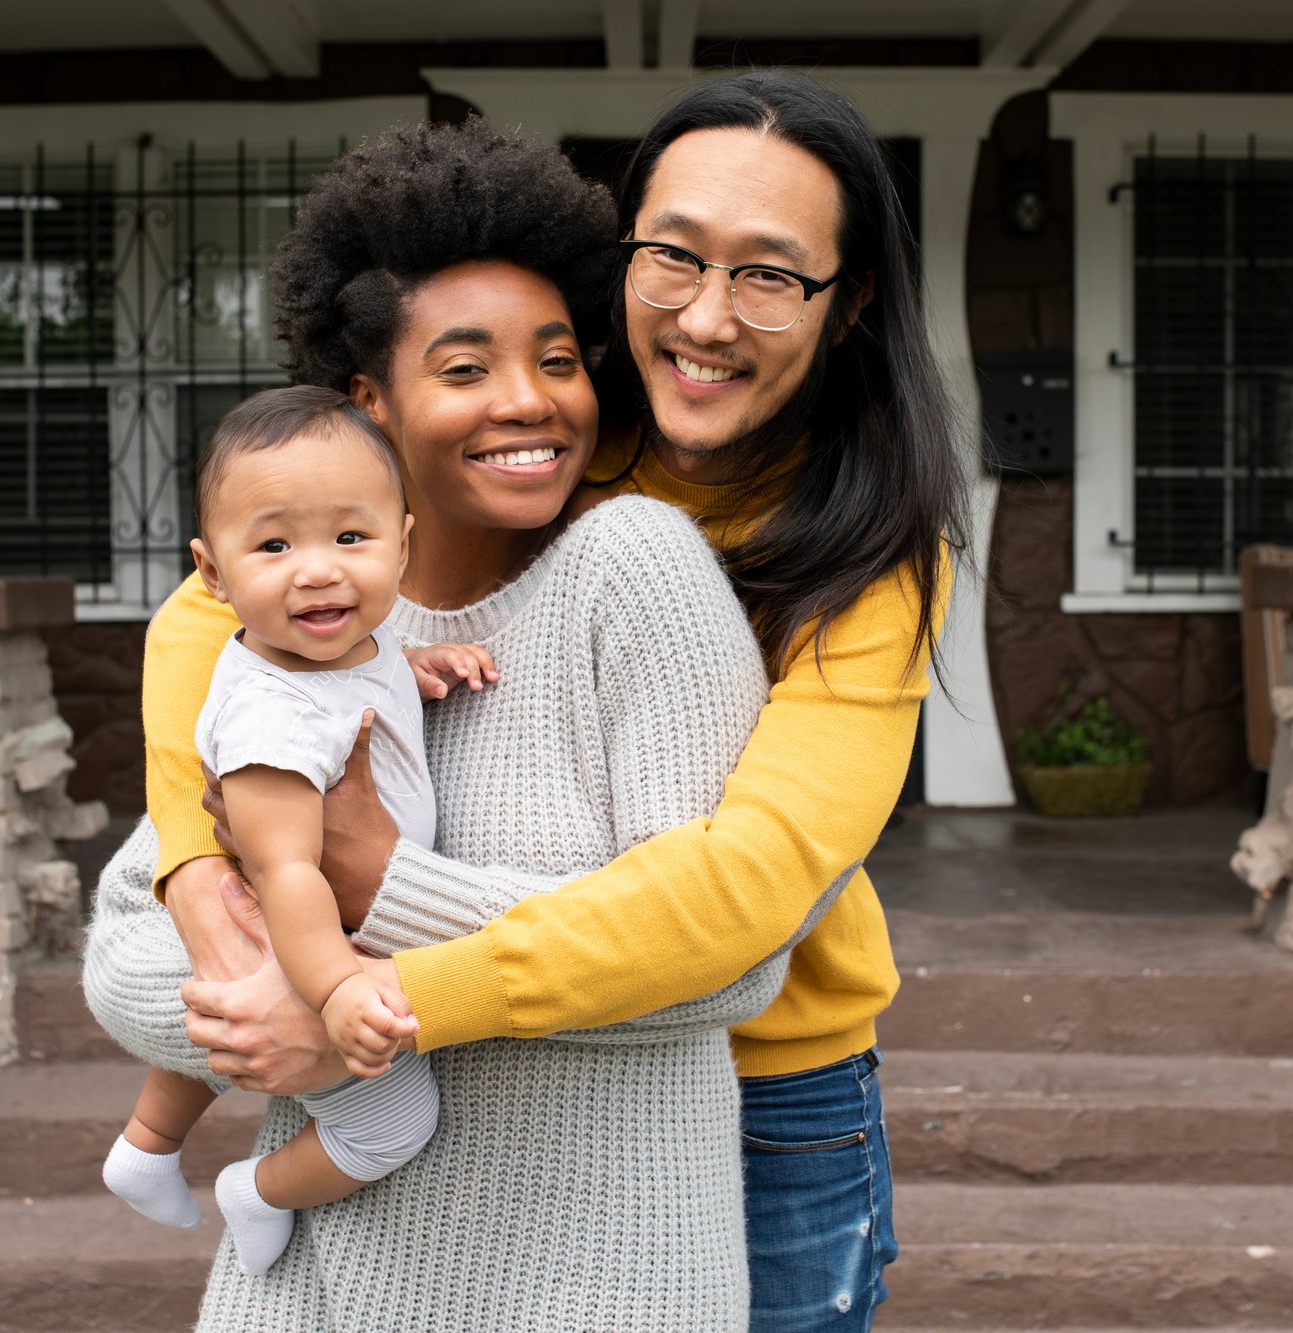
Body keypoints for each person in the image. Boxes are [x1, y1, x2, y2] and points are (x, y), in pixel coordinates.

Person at [186, 72, 967, 1332]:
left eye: (769, 274)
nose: (706, 316)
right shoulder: (545, 430)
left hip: (767, 1095)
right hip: (503, 1077)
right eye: (674, 257)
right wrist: (196, 887)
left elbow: (743, 892)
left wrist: (372, 993)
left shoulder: (868, 550)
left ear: (849, 298)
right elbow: (225, 614)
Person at [81, 119, 785, 1330]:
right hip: (303, 1288)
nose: (528, 400)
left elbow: (728, 954)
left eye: (557, 359)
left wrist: (378, 914)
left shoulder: (634, 571)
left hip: (596, 1284)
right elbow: (127, 948)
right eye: (463, 368)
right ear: (371, 400)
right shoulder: (294, 626)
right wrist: (299, 1012)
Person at [100, 386, 497, 1275]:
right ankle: (258, 1188)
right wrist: (336, 993)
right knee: (395, 1124)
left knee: (221, 1021)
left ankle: (143, 1144)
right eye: (274, 545)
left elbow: (368, 670)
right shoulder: (268, 723)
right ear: (212, 573)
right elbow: (286, 873)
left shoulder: (344, 641)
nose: (318, 570)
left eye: (349, 538)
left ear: (402, 542)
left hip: (317, 919)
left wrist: (418, 661)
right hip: (306, 933)